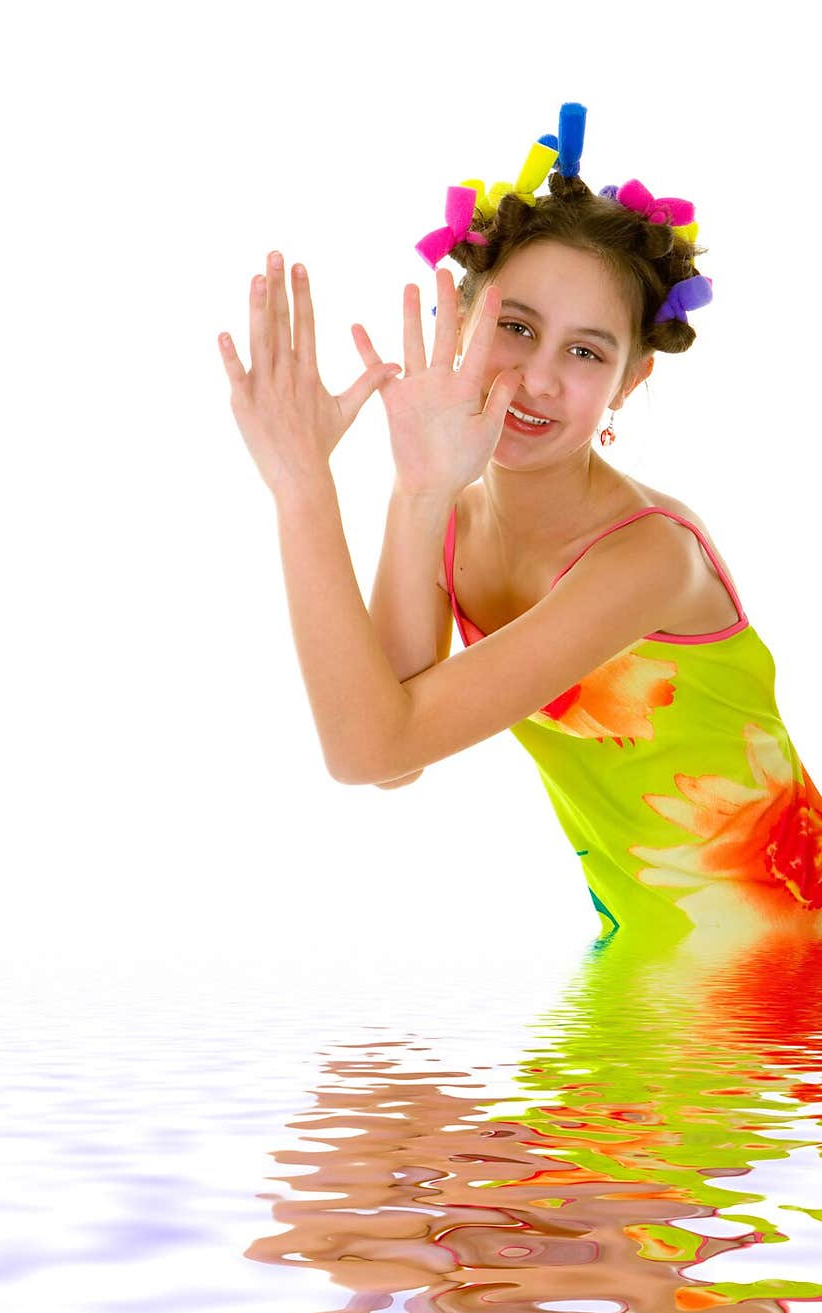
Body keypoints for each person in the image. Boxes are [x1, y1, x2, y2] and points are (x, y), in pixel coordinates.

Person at [217, 101, 822, 949]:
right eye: (515, 328)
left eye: (585, 352)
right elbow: (394, 763)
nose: (537, 377)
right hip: (652, 950)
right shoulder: (450, 512)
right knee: (362, 1082)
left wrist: (301, 485)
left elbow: (366, 749)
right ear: (458, 326)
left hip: (783, 955)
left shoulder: (647, 557)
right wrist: (417, 494)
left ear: (628, 381)